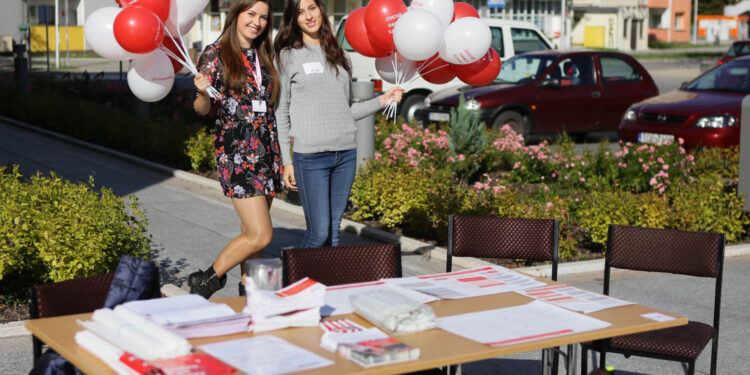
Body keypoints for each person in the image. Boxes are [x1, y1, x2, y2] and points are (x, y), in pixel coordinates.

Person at [274, 0, 404, 248]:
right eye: (300, 12)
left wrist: (383, 100)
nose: (308, 16)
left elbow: (348, 110)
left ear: (321, 10)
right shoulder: (287, 56)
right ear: (293, 19)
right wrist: (286, 161)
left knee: (334, 234)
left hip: (345, 154)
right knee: (318, 234)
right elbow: (281, 114)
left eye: (312, 8)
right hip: (310, 158)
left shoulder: (341, 55)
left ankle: (327, 286)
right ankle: (295, 285)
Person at [189, 0, 281, 299]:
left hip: (266, 151)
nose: (257, 22)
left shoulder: (263, 55)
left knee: (254, 236)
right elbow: (202, 109)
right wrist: (203, 92)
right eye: (251, 14)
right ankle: (207, 280)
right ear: (237, 15)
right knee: (261, 233)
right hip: (238, 154)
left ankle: (259, 298)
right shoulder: (216, 54)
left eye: (264, 17)